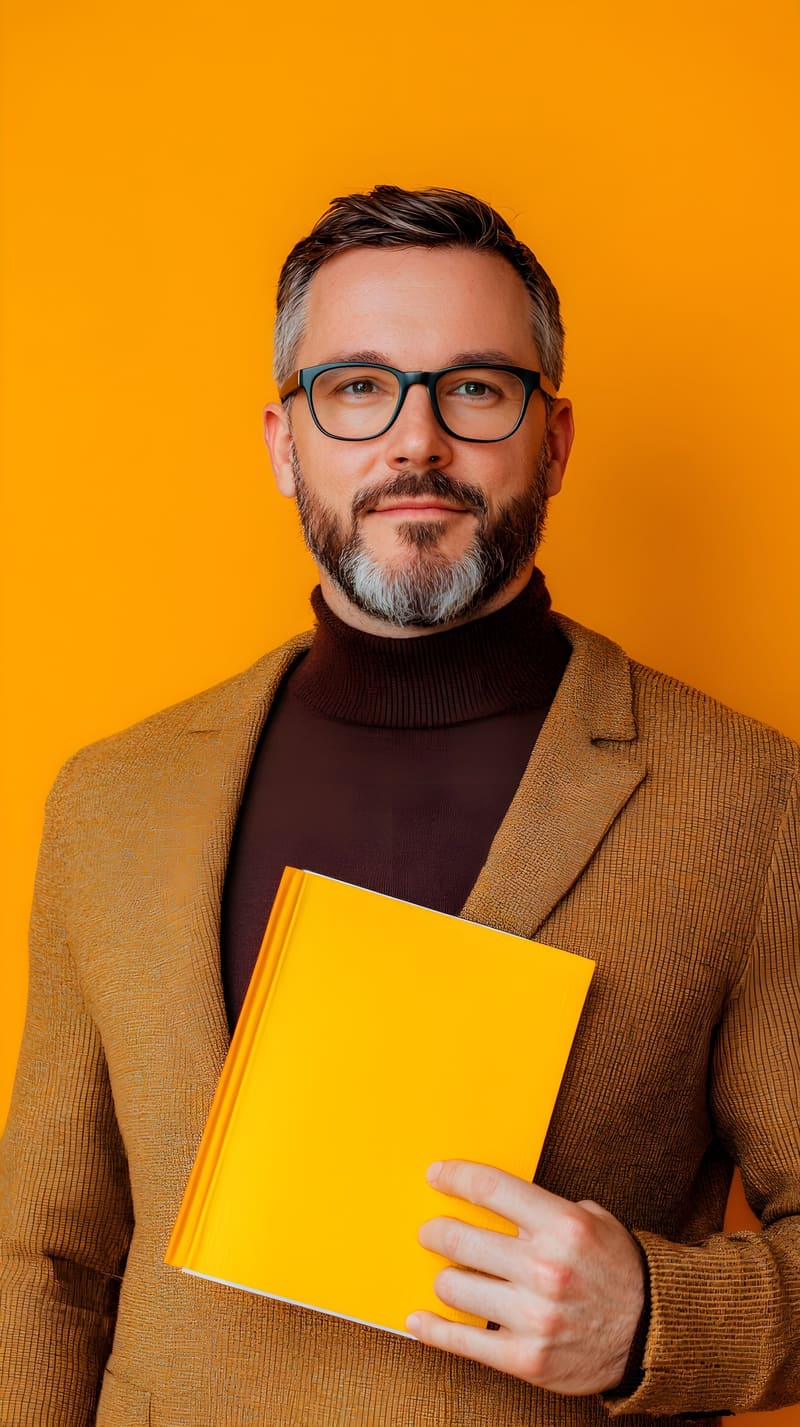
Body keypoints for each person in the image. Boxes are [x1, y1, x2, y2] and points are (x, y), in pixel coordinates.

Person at [0, 185, 798, 1427]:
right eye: (358, 386)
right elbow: (37, 1267)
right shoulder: (113, 800)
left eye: (474, 387)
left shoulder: (747, 800)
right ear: (283, 438)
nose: (414, 440)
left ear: (555, 437)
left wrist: (653, 1314)